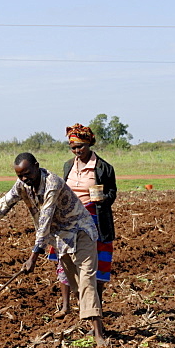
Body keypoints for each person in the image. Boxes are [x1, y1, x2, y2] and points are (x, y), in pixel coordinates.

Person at [0, 152, 107, 348]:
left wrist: (33, 256)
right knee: (76, 285)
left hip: (81, 232)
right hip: (61, 238)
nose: (24, 179)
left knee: (87, 279)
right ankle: (93, 322)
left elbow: (45, 220)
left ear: (37, 166)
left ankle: (98, 334)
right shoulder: (23, 185)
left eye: (27, 174)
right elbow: (3, 204)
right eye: (20, 176)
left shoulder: (52, 183)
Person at [52, 123, 117, 316]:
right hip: (69, 220)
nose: (77, 150)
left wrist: (103, 198)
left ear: (89, 144)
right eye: (73, 147)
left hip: (95, 219)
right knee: (65, 261)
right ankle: (66, 306)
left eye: (80, 146)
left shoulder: (103, 167)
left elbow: (112, 193)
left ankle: (96, 308)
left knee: (94, 266)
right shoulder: (68, 166)